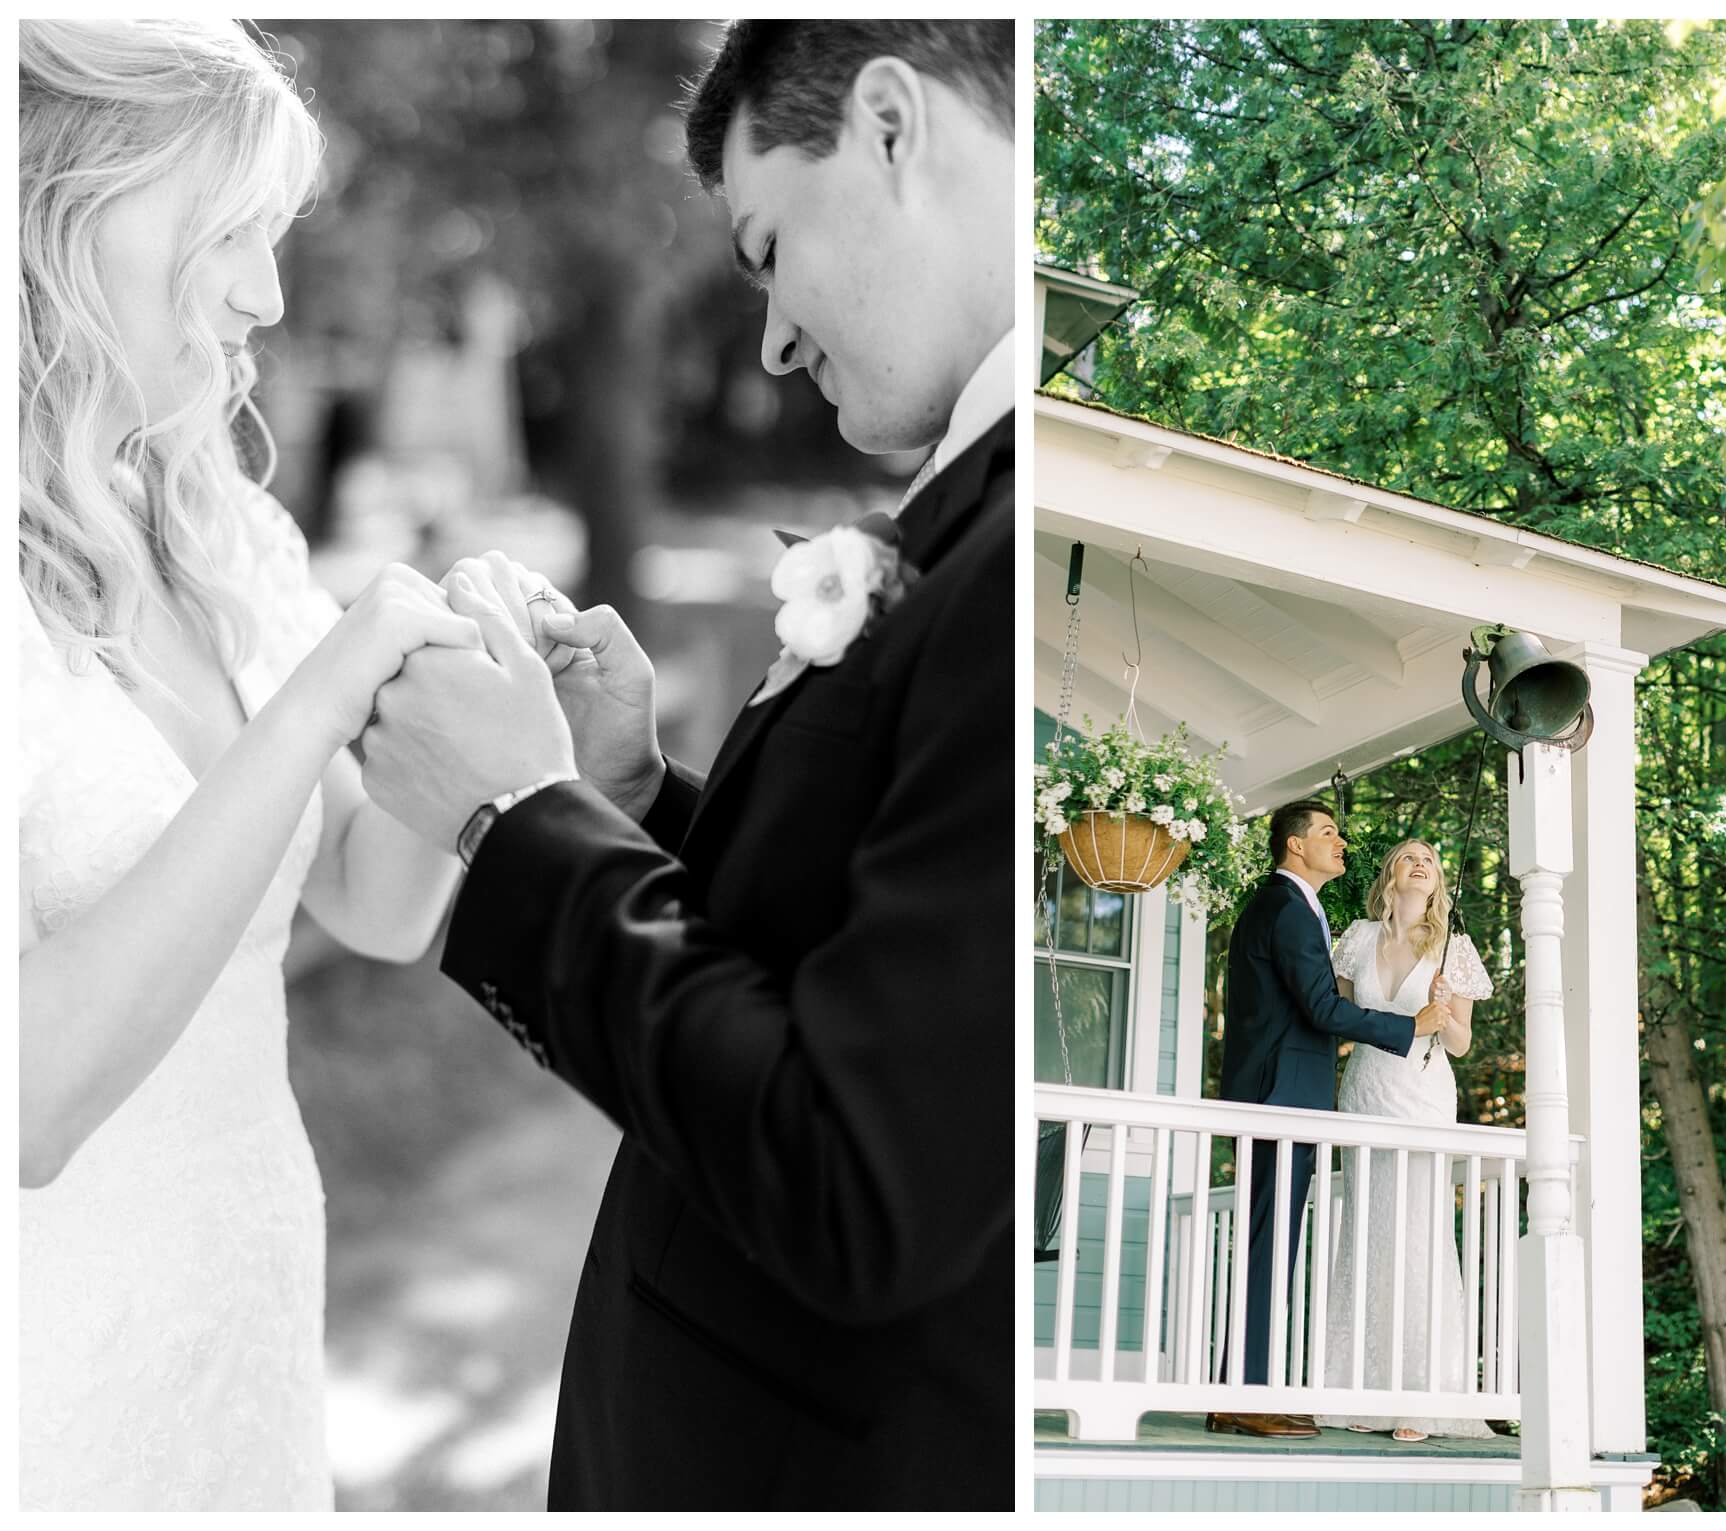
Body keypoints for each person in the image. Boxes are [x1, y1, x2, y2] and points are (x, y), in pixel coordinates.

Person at [355, 21, 1014, 1510]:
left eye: (767, 243)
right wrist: (637, 798)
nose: (771, 333)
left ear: (894, 130)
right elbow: (866, 952)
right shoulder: (963, 518)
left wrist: (516, 819)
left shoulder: (1011, 551)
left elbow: (855, 1175)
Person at [16, 21, 484, 1509]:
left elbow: (373, 896)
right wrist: (313, 703)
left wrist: (450, 695)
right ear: (65, 208)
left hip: (248, 1318)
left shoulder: (228, 534)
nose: (264, 295)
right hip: (53, 1366)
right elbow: (27, 1096)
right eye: (228, 233)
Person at [1210, 801, 1448, 1439]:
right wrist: (1409, 1026)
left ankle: (1241, 1386)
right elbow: (1320, 1007)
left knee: (1274, 1242)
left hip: (1289, 1094)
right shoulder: (1285, 908)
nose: (1340, 842)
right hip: (1279, 1096)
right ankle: (1242, 1396)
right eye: (1327, 833)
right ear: (1294, 846)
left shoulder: (1296, 907)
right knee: (1267, 1244)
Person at [1318, 839, 1495, 1442]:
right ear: (1391, 872)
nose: (1421, 863)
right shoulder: (1359, 939)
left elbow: (1462, 1046)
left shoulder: (1454, 949)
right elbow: (1342, 1021)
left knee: (1419, 1235)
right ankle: (1365, 1389)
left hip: (1423, 1096)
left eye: (1430, 858)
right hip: (1365, 1090)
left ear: (1438, 879)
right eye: (1409, 855)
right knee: (1368, 1233)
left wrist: (1446, 1011)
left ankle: (1423, 1397)